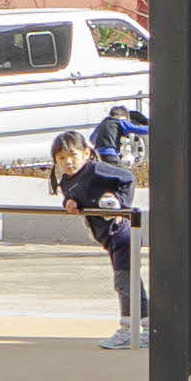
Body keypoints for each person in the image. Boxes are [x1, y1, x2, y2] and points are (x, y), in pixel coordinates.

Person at [50, 125, 142, 345]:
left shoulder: (95, 169)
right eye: (61, 158)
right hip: (105, 237)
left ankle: (130, 329)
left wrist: (121, 205)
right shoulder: (66, 181)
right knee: (129, 280)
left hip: (120, 233)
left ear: (86, 153)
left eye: (73, 155)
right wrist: (69, 203)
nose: (68, 162)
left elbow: (128, 178)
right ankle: (145, 325)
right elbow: (73, 197)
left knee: (124, 280)